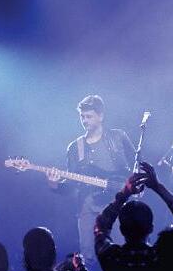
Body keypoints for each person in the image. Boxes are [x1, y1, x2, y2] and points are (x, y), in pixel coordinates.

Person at [51, 95, 136, 255]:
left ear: (100, 116)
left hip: (116, 202)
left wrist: (135, 187)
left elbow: (137, 163)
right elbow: (71, 185)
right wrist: (54, 184)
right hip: (88, 207)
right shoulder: (75, 147)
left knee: (121, 250)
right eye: (82, 117)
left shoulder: (118, 137)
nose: (84, 120)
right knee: (88, 255)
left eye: (89, 116)